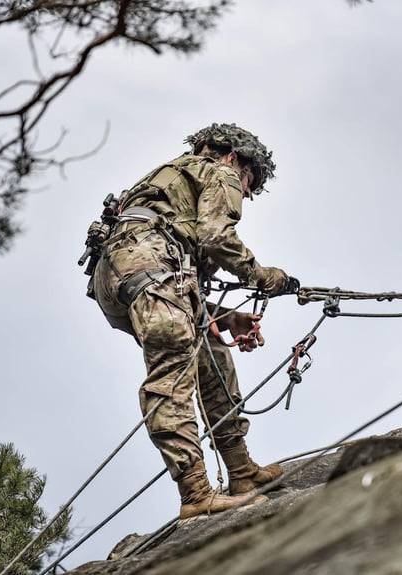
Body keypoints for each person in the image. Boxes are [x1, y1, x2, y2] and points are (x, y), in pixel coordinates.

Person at [90, 123, 298, 519]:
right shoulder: (220, 171)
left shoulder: (170, 179)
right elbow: (215, 237)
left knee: (211, 352)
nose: (246, 193)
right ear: (235, 158)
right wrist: (265, 276)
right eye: (248, 182)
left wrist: (223, 316)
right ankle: (196, 492)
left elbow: (173, 253)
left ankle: (240, 471)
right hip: (148, 264)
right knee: (172, 372)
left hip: (132, 272)